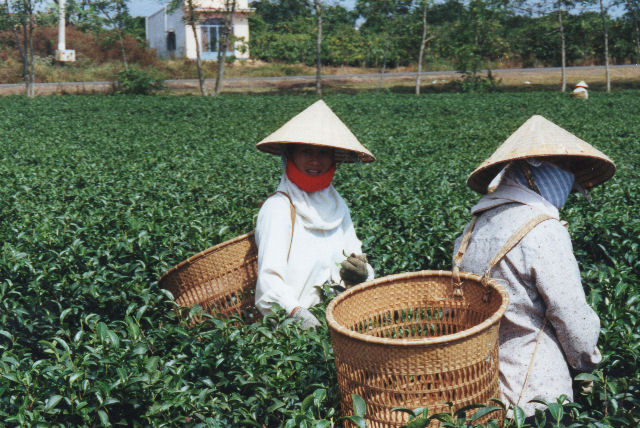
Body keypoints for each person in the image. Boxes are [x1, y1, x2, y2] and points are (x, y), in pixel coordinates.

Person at [453, 115, 615, 419]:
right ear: (536, 171)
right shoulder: (543, 230)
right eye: (565, 170)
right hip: (535, 396)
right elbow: (571, 317)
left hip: (477, 390)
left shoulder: (473, 227)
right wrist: (588, 365)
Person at [254, 100, 376, 329]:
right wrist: (298, 314)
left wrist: (362, 273)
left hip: (341, 322)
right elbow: (269, 283)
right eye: (306, 151)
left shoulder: (338, 206)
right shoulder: (278, 208)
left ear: (333, 158)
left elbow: (355, 255)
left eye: (323, 153)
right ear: (290, 155)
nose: (315, 161)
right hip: (292, 332)